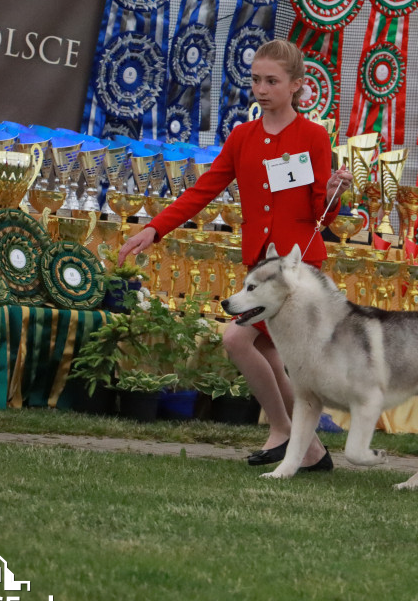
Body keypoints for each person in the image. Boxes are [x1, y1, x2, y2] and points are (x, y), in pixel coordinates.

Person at [118, 39, 351, 471]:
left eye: (272, 81)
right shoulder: (243, 136)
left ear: (297, 85)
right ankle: (311, 451)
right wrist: (154, 227)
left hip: (297, 269)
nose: (261, 89)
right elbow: (203, 190)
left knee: (235, 338)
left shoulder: (314, 136)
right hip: (260, 268)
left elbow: (321, 209)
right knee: (272, 354)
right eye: (256, 80)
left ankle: (283, 432)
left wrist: (336, 193)